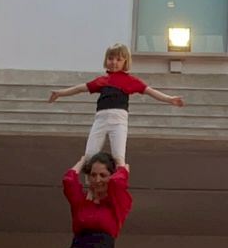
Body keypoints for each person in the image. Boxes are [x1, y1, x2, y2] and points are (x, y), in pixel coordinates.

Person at [46, 43, 184, 166]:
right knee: (89, 156)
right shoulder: (102, 80)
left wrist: (169, 99)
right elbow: (79, 88)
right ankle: (90, 183)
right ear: (106, 60)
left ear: (125, 62)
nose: (114, 62)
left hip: (118, 121)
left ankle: (120, 183)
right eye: (110, 59)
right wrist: (60, 93)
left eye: (118, 60)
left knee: (118, 157)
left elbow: (150, 91)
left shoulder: (130, 80)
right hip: (100, 119)